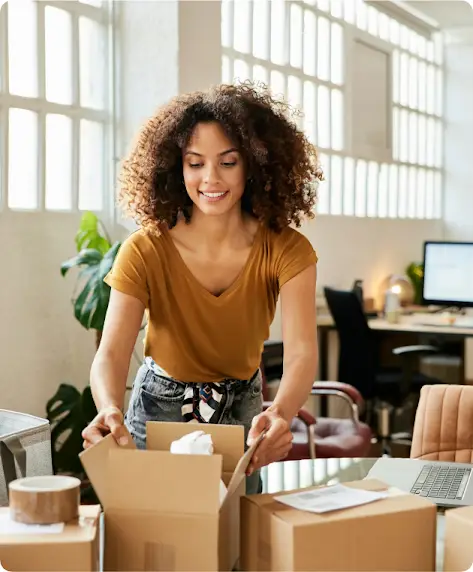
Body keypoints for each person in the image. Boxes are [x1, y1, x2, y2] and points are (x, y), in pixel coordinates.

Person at [82, 82, 322, 494]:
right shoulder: (145, 248)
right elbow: (113, 352)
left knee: (237, 543)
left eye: (228, 162)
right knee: (157, 539)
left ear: (254, 164)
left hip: (243, 411)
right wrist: (108, 408)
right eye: (195, 163)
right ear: (176, 168)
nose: (211, 178)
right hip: (158, 409)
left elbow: (302, 353)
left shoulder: (287, 248)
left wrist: (281, 411)